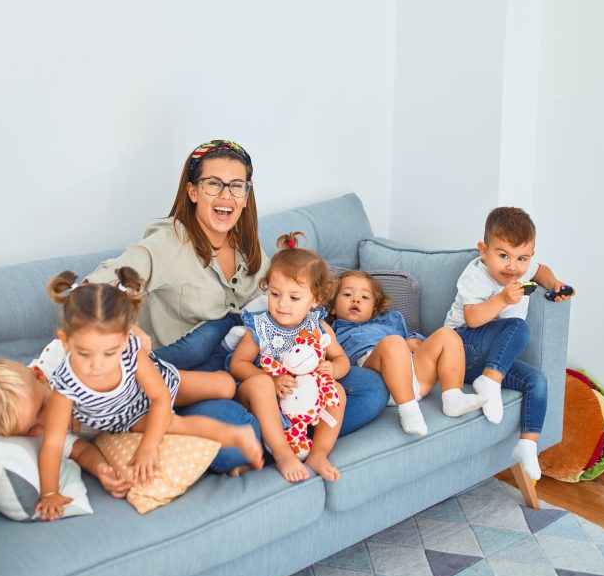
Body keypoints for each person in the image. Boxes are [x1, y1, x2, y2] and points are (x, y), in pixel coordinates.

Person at [86, 139, 389, 459]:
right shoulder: (167, 242)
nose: (226, 196)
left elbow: (292, 300)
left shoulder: (249, 244)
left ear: (247, 194)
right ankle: (280, 431)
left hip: (256, 363)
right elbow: (94, 287)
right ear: (192, 192)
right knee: (235, 444)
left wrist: (315, 361)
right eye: (213, 184)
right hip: (196, 376)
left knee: (370, 389)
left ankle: (285, 428)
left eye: (236, 186)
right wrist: (125, 329)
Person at [36, 267, 262, 520]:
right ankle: (234, 434)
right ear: (65, 342)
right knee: (173, 423)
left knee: (225, 387)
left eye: (109, 353)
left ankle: (228, 367)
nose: (97, 365)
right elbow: (53, 443)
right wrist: (48, 493)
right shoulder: (64, 387)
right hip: (128, 419)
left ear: (123, 341)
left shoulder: (131, 352)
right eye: (84, 353)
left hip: (157, 390)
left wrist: (149, 446)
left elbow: (160, 397)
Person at [445, 206, 574, 481]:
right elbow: (473, 318)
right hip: (460, 350)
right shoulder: (475, 275)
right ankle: (489, 381)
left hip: (492, 359)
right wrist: (502, 299)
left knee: (537, 380)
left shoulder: (523, 271)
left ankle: (527, 444)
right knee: (518, 327)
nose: (512, 267)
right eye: (503, 255)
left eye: (521, 258)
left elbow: (542, 271)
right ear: (484, 250)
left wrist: (554, 284)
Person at [230, 232, 348, 483]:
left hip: (301, 400)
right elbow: (237, 365)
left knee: (337, 390)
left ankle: (319, 453)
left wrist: (332, 369)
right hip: (261, 395)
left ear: (315, 299)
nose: (282, 304)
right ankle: (283, 453)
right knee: (261, 384)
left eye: (294, 297)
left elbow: (341, 360)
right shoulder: (260, 327)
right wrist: (270, 380)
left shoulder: (319, 328)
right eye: (274, 294)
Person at [330, 271, 485, 437]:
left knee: (447, 334)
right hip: (378, 380)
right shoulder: (331, 331)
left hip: (414, 377)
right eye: (347, 294)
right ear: (332, 306)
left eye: (365, 297)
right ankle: (409, 410)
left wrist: (416, 344)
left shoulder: (390, 321)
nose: (356, 299)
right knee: (393, 343)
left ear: (375, 308)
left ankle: (453, 397)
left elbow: (413, 341)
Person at [0, 352, 133, 501]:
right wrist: (101, 469)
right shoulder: (42, 437)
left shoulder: (61, 360)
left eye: (42, 407)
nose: (46, 423)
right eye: (30, 430)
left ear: (40, 376)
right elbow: (82, 452)